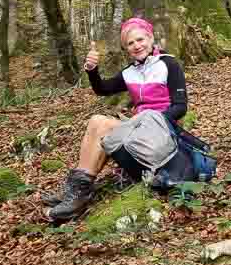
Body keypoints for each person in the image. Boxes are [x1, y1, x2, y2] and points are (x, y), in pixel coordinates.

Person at [42, 17, 188, 221]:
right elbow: (102, 89)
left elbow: (180, 108)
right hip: (139, 131)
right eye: (130, 43)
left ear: (150, 38)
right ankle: (76, 190)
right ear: (126, 48)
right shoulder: (130, 72)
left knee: (104, 124)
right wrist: (92, 70)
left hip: (165, 133)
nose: (137, 46)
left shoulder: (169, 64)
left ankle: (78, 194)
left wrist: (150, 121)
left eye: (140, 40)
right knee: (96, 120)